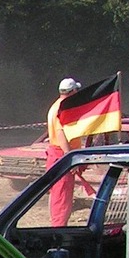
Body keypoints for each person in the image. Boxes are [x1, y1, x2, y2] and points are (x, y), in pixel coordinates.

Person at [47, 77, 82, 226]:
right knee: (62, 197)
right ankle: (59, 229)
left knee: (56, 194)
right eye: (77, 90)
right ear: (73, 91)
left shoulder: (56, 106)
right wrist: (70, 158)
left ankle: (57, 224)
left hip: (56, 154)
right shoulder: (62, 109)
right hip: (62, 155)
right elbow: (61, 134)